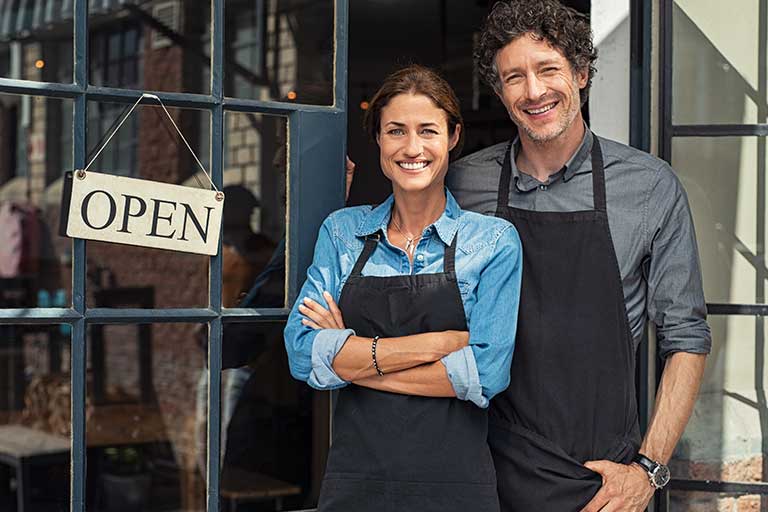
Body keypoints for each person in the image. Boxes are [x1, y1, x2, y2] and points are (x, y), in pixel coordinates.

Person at [443, 1, 711, 511]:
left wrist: (647, 471)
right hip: (481, 469)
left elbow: (686, 339)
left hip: (599, 484)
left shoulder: (650, 187)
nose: (534, 90)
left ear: (582, 73)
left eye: (548, 69)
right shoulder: (462, 183)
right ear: (499, 91)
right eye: (513, 77)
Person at [284, 64, 522, 512]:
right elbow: (300, 352)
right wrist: (438, 345)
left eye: (427, 131)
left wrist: (351, 361)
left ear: (453, 137)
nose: (412, 148)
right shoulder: (342, 233)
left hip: (456, 489)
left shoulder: (491, 241)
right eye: (396, 131)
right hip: (356, 484)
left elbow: (487, 374)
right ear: (378, 139)